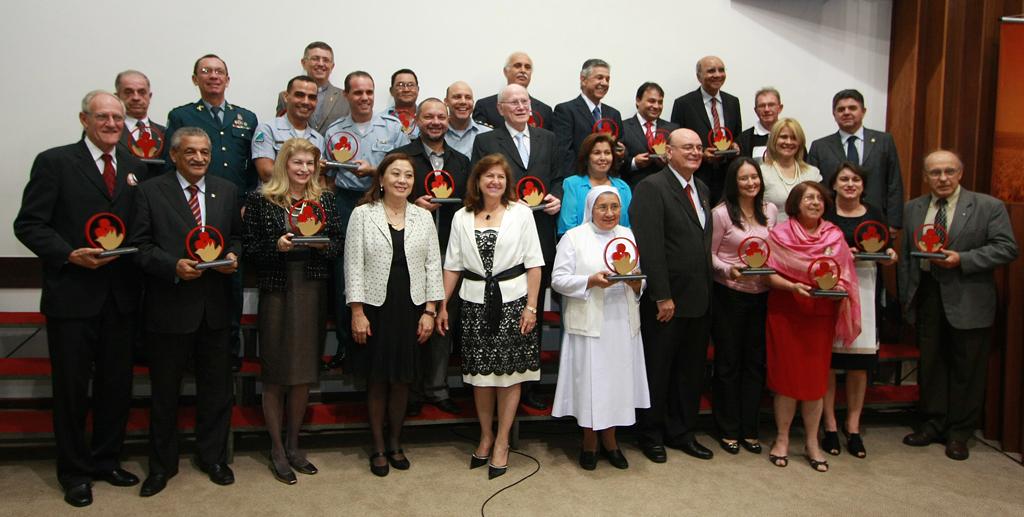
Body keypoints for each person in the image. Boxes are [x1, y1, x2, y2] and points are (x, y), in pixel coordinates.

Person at [13, 90, 145, 507]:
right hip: (72, 294)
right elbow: (29, 224)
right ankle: (73, 472)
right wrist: (69, 253)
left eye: (117, 118)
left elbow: (138, 226)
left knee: (115, 386)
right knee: (71, 389)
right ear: (84, 119)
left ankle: (106, 459)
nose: (111, 124)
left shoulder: (135, 165)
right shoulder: (54, 162)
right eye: (102, 116)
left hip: (120, 296)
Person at [130, 127, 242, 496]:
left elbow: (236, 237)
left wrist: (233, 257)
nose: (199, 158)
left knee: (217, 389)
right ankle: (161, 466)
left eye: (205, 152)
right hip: (170, 306)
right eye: (191, 152)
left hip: (215, 308)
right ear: (174, 155)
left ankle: (213, 458)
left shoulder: (225, 189)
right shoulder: (150, 191)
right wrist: (171, 265)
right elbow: (140, 246)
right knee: (165, 392)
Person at [899, 150, 1018, 460]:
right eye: (935, 172)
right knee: (931, 364)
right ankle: (932, 423)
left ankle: (959, 432)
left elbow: (1006, 248)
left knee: (968, 368)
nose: (942, 178)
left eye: (949, 171)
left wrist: (962, 260)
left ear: (960, 173)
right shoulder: (913, 209)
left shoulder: (987, 206)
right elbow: (908, 258)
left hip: (968, 298)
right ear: (925, 176)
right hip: (927, 295)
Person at [436, 154, 545, 480]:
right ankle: (485, 435)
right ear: (478, 182)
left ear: (506, 182)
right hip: (473, 304)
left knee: (509, 375)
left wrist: (532, 307)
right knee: (481, 375)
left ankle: (502, 442)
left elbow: (534, 264)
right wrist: (442, 305)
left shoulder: (521, 213)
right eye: (488, 177)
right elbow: (452, 265)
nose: (494, 182)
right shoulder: (461, 216)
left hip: (514, 303)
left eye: (500, 177)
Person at [243, 138, 342, 483]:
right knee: (276, 372)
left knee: (302, 372)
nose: (304, 170)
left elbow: (337, 243)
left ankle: (294, 444)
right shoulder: (261, 200)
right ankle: (276, 448)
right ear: (285, 164)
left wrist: (322, 244)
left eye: (310, 164)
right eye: (297, 163)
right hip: (278, 290)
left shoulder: (325, 200)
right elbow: (251, 250)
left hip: (312, 288)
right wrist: (277, 246)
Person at [344, 153, 444, 476]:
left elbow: (432, 266)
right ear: (382, 179)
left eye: (408, 176)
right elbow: (353, 265)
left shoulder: (423, 217)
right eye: (396, 174)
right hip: (375, 308)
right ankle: (376, 446)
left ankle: (395, 442)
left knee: (402, 380)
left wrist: (430, 311)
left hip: (412, 307)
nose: (403, 180)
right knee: (378, 380)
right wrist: (357, 312)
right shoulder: (362, 215)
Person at [472, 83, 562, 411]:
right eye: (514, 102)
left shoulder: (547, 138)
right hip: (505, 232)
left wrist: (558, 197)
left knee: (532, 306)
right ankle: (499, 374)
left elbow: (558, 176)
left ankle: (530, 382)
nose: (521, 106)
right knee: (505, 304)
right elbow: (480, 181)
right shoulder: (485, 141)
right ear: (500, 108)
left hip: (540, 228)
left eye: (525, 100)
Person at [164, 53, 257, 372]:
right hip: (192, 210)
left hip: (230, 211)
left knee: (229, 282)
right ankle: (187, 354)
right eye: (206, 71)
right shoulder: (182, 115)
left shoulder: (246, 117)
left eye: (220, 72)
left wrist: (247, 202)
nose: (214, 76)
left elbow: (253, 166)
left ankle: (228, 353)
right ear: (195, 79)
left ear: (228, 79)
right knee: (190, 284)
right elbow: (169, 164)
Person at [629, 128, 715, 463]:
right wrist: (662, 295)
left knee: (690, 371)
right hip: (666, 301)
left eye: (698, 147)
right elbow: (650, 246)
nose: (695, 152)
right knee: (659, 369)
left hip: (699, 298)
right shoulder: (652, 187)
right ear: (669, 152)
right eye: (687, 147)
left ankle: (681, 432)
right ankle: (650, 434)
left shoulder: (703, 189)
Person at [763, 181, 860, 473]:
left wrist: (840, 286)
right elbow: (768, 274)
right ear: (795, 203)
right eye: (808, 198)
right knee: (786, 380)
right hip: (787, 311)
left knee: (815, 382)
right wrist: (793, 286)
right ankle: (781, 439)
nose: (815, 202)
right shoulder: (779, 234)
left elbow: (844, 274)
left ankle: (811, 441)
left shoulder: (834, 235)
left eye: (819, 198)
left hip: (820, 315)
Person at [551, 186, 650, 470]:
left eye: (614, 207)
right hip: (590, 320)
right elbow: (558, 280)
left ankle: (612, 440)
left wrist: (635, 282)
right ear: (591, 209)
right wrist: (590, 281)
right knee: (592, 384)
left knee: (617, 385)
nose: (609, 213)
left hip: (621, 319)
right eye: (602, 207)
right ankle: (589, 441)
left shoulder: (627, 235)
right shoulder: (574, 237)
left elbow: (640, 277)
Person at [322, 71, 410, 369]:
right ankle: (348, 344)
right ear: (347, 95)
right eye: (358, 93)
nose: (364, 98)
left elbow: (402, 170)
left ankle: (380, 340)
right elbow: (328, 177)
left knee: (385, 267)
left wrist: (375, 171)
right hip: (345, 201)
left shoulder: (393, 127)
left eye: (369, 92)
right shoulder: (334, 131)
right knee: (345, 271)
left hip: (382, 200)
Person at [389, 98, 471, 417]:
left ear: (448, 120)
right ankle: (409, 389)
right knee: (411, 320)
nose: (435, 122)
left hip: (450, 252)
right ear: (417, 121)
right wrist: (413, 205)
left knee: (442, 321)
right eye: (428, 117)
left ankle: (437, 388)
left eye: (440, 116)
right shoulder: (402, 158)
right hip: (410, 251)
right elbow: (385, 198)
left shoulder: (461, 161)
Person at [821, 163, 897, 459]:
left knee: (858, 365)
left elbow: (887, 249)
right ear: (834, 184)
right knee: (828, 363)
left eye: (855, 180)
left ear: (863, 186)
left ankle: (852, 427)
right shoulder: (826, 212)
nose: (850, 184)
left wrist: (890, 255)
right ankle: (829, 425)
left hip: (865, 291)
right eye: (844, 179)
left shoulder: (874, 212)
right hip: (832, 292)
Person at [709, 157, 778, 455]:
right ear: (733, 183)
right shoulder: (721, 214)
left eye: (754, 177)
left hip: (762, 294)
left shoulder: (770, 210)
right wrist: (727, 270)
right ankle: (727, 428)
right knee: (728, 362)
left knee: (755, 363)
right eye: (743, 178)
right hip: (730, 294)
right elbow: (709, 255)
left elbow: (775, 249)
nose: (751, 183)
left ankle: (750, 428)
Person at [807, 89, 904, 230]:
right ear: (834, 114)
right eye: (841, 109)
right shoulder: (820, 146)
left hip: (876, 221)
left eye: (852, 108)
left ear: (863, 111)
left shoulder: (884, 141)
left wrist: (894, 223)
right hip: (831, 223)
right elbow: (814, 187)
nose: (846, 112)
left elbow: (894, 183)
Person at [669, 55, 742, 203]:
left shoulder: (733, 102)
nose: (717, 75)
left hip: (727, 177)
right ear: (699, 76)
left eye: (721, 70)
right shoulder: (684, 104)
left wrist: (734, 146)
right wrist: (701, 154)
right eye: (711, 71)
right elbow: (675, 142)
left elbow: (736, 135)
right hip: (697, 176)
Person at [552, 58, 624, 177]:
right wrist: (576, 183)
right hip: (579, 181)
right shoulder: (566, 111)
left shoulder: (614, 114)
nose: (604, 83)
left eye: (607, 79)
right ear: (583, 79)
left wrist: (622, 153)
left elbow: (620, 149)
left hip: (609, 182)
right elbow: (564, 154)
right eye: (599, 77)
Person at [253, 75, 326, 182]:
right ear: (286, 97)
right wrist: (308, 171)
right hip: (274, 197)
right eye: (299, 95)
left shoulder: (318, 139)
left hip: (308, 198)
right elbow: (266, 173)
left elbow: (318, 178)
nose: (306, 101)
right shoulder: (267, 130)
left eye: (312, 97)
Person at [557, 133, 631, 237]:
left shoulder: (623, 187)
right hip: (581, 247)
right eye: (597, 153)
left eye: (607, 153)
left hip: (616, 247)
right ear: (586, 157)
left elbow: (627, 227)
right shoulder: (572, 184)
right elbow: (567, 227)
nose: (603, 158)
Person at [275, 41, 350, 134]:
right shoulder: (285, 97)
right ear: (303, 63)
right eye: (315, 59)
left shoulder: (346, 98)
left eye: (326, 60)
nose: (321, 64)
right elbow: (278, 131)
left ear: (332, 66)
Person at [761, 118, 821, 222]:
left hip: (807, 235)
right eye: (783, 137)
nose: (788, 142)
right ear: (774, 140)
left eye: (794, 138)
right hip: (773, 235)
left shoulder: (812, 173)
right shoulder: (761, 173)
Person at [619, 82, 678, 186]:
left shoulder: (673, 129)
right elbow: (615, 163)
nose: (656, 106)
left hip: (666, 188)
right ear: (638, 101)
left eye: (660, 102)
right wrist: (634, 163)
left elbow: (680, 160)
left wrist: (669, 161)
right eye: (651, 101)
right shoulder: (622, 127)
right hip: (634, 188)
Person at [474, 52, 554, 129]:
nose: (523, 70)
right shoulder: (485, 107)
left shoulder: (545, 111)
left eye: (527, 67)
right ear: (506, 71)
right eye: (517, 66)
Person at [115, 70, 166, 179]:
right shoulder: (109, 132)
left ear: (150, 96)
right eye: (128, 92)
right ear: (117, 96)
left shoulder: (165, 133)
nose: (136, 98)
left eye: (142, 92)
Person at [444, 81, 492, 159]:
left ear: (473, 102)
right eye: (457, 97)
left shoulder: (488, 134)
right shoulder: (437, 133)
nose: (463, 101)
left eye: (468, 97)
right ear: (446, 102)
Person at [737, 87, 783, 162]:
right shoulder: (744, 139)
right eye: (762, 106)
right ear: (756, 110)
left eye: (771, 105)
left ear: (780, 108)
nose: (766, 110)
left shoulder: (791, 136)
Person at [384, 68, 420, 137]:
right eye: (400, 85)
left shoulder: (429, 118)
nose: (406, 90)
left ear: (417, 90)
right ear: (391, 91)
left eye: (411, 85)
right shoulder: (379, 120)